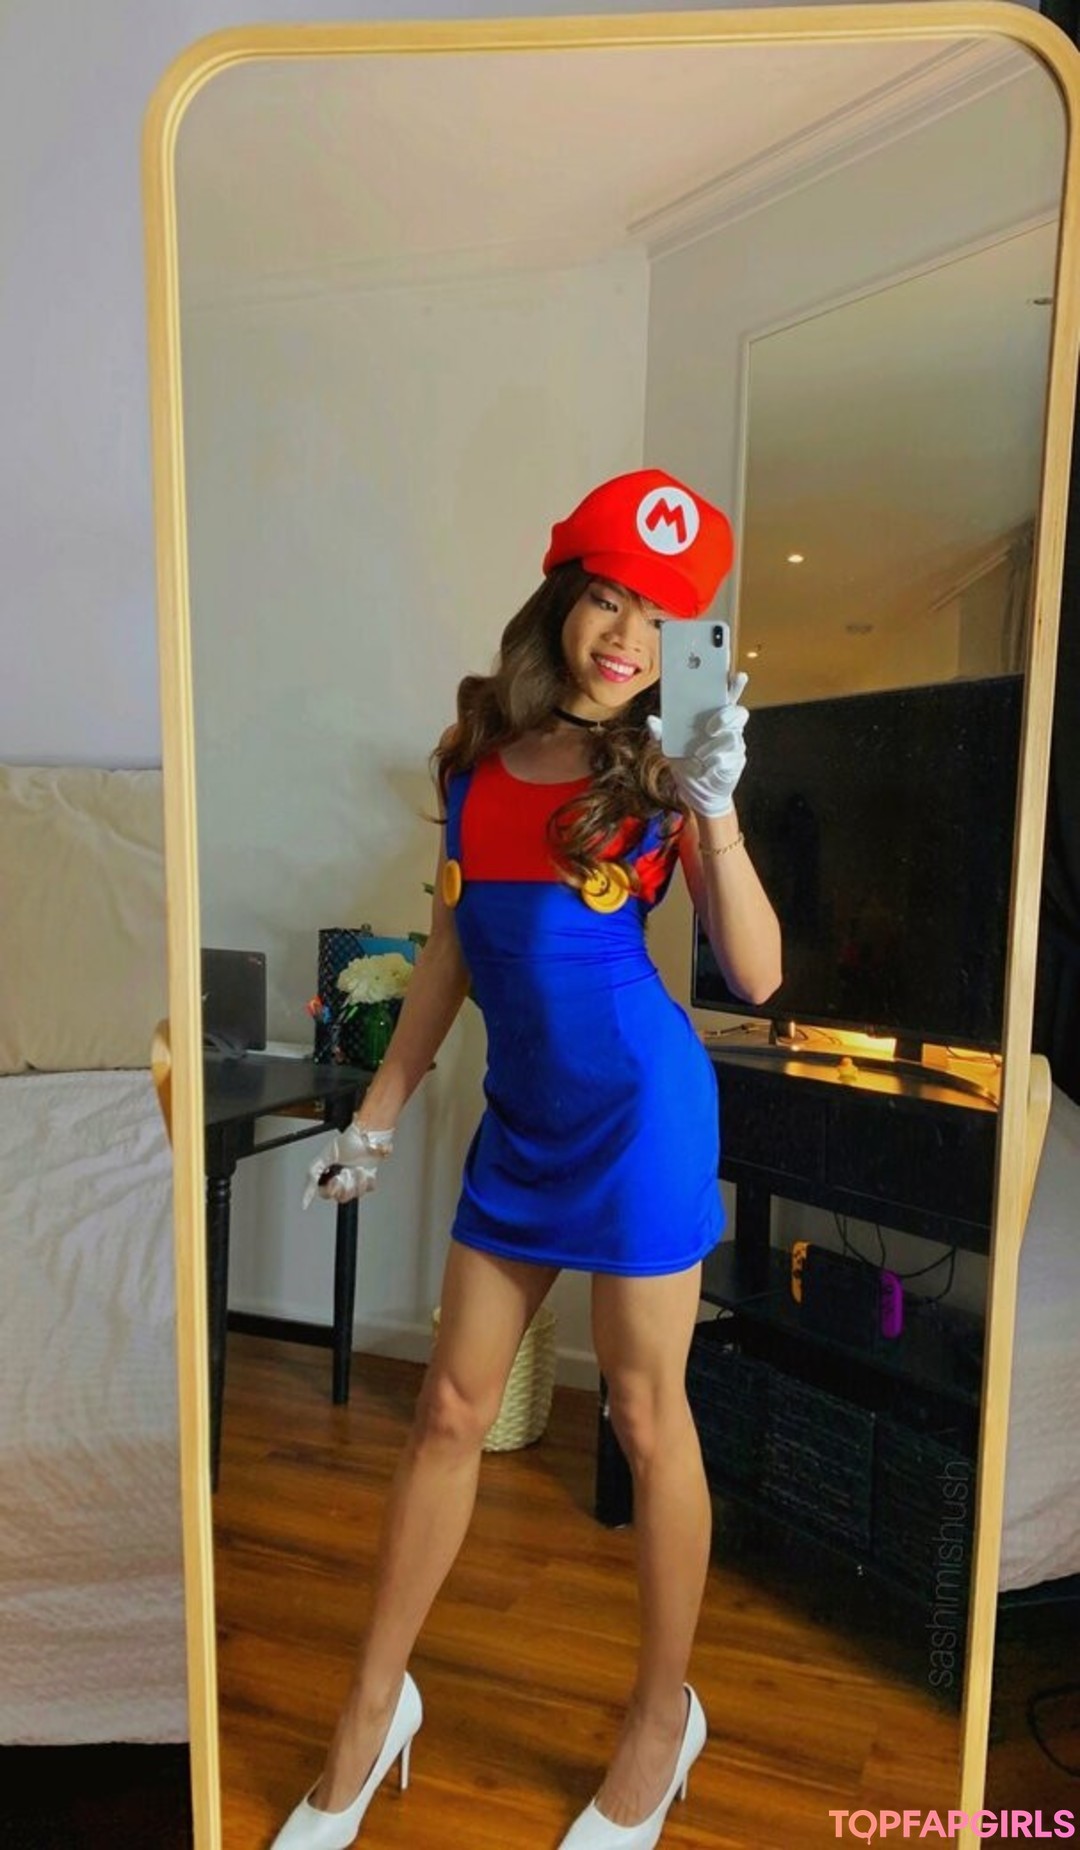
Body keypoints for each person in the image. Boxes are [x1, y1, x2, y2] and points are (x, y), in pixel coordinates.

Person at [272, 467, 782, 1850]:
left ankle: (662, 1721)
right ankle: (372, 1709)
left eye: (662, 617)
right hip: (526, 1123)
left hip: (642, 1117)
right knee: (449, 1407)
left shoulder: (666, 776)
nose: (628, 637)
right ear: (564, 601)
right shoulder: (478, 760)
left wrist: (717, 809)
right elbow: (453, 950)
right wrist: (377, 1115)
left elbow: (756, 970)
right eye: (611, 598)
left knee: (644, 1417)